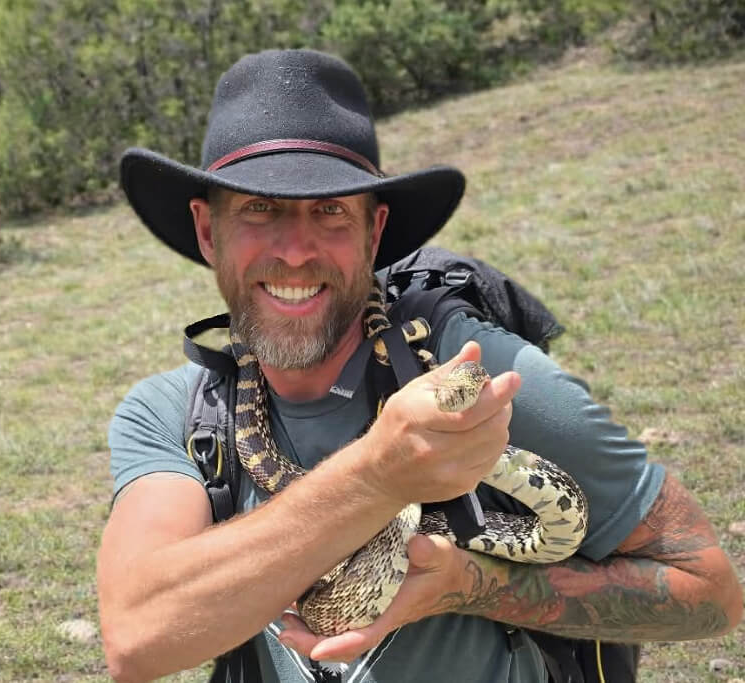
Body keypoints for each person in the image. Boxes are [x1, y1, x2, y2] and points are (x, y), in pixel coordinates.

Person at [96, 48, 742, 682]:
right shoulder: (178, 415)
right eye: (259, 209)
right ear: (208, 232)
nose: (295, 252)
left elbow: (711, 589)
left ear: (374, 234)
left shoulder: (473, 372)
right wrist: (380, 476)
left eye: (329, 211)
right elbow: (134, 640)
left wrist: (469, 586)